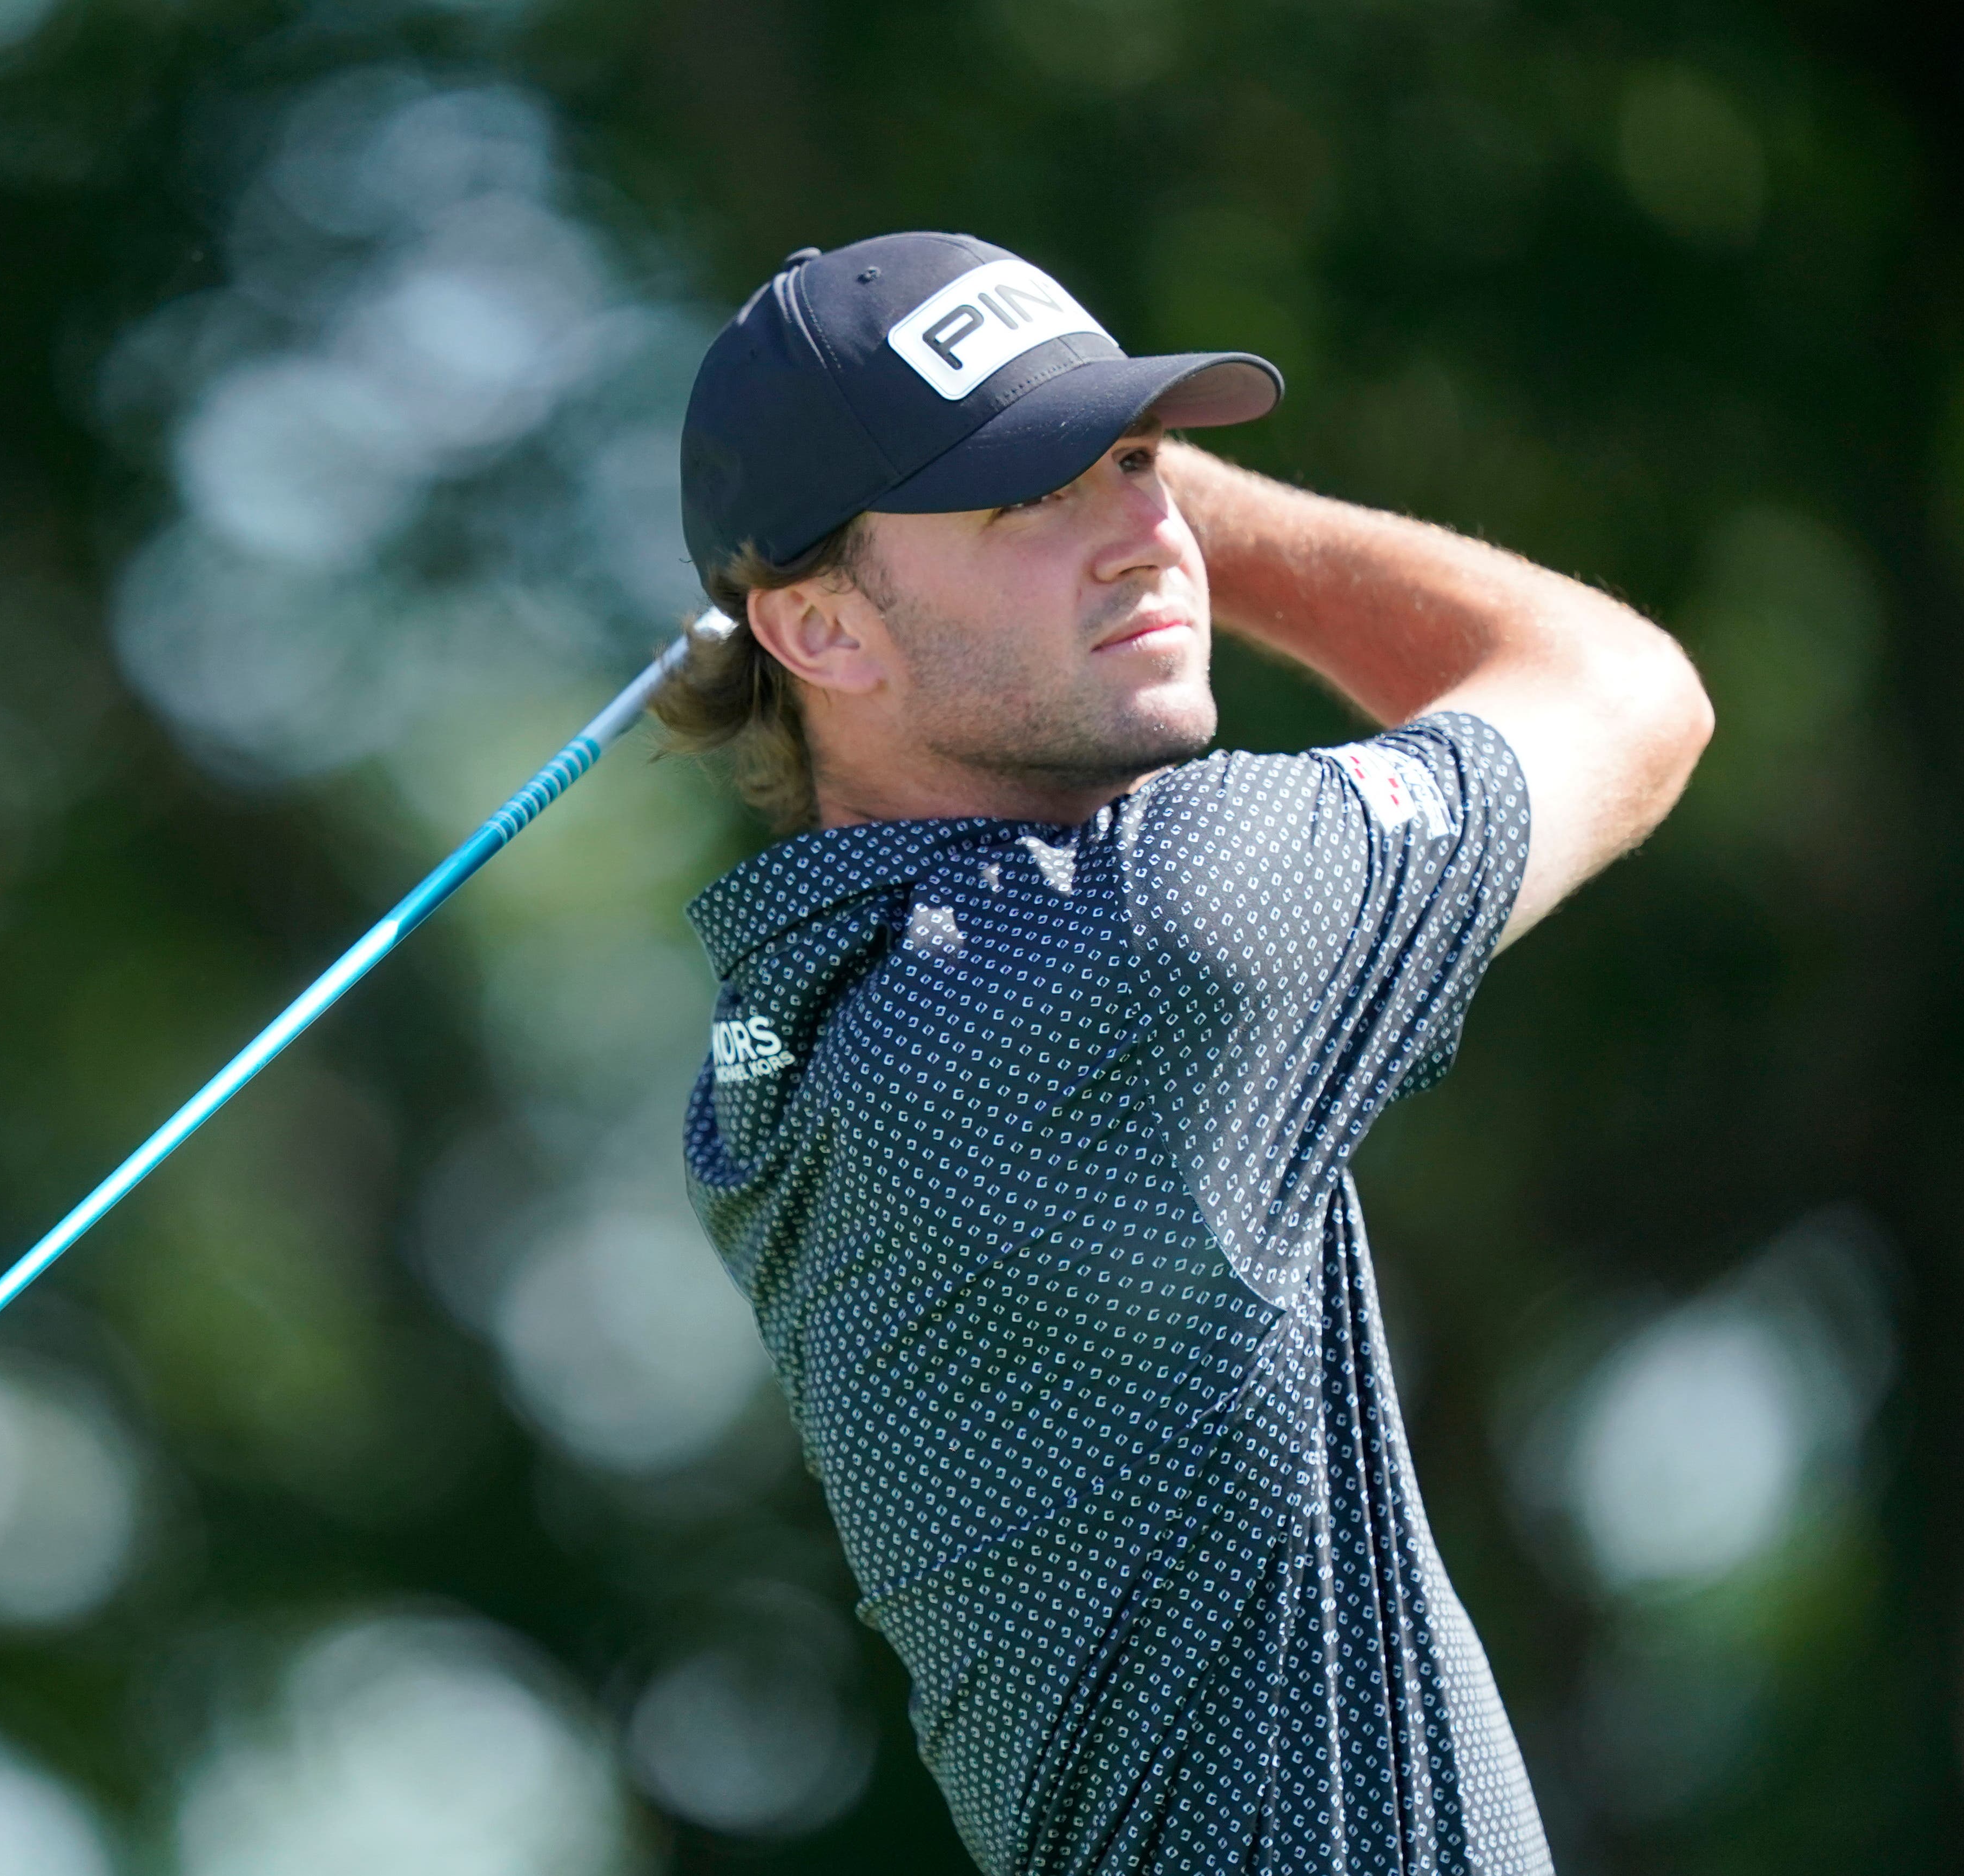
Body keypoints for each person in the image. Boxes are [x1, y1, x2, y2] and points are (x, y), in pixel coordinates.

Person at [654, 232, 1711, 1874]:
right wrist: (1222, 508)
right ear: (820, 631)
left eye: (1141, 460)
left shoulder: (790, 1019)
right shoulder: (1143, 940)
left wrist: (1067, 477)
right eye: (1029, 493)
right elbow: (1626, 691)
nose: (1144, 531)